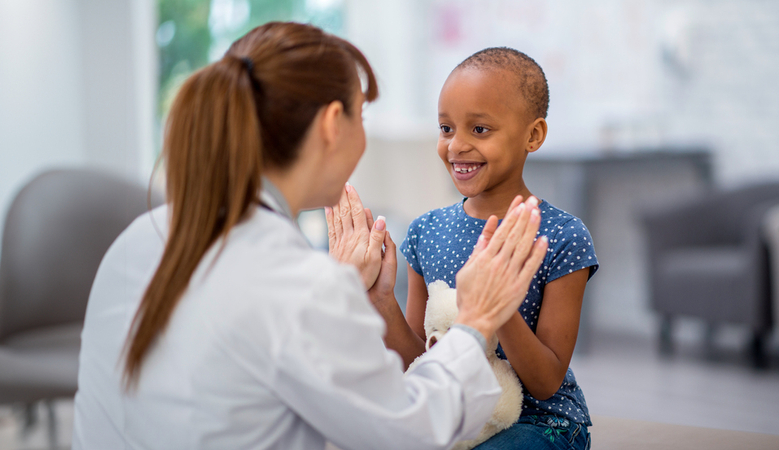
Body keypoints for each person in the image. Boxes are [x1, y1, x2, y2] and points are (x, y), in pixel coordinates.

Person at [72, 23, 549, 450]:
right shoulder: (302, 286)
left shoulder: (137, 240)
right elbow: (411, 431)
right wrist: (476, 320)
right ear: (331, 125)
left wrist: (344, 291)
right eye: (361, 117)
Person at [380, 48, 599, 449]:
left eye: (479, 129)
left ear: (533, 135)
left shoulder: (562, 236)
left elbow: (546, 382)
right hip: (456, 413)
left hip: (540, 421)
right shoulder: (425, 232)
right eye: (446, 128)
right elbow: (419, 361)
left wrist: (497, 307)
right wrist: (379, 299)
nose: (456, 146)